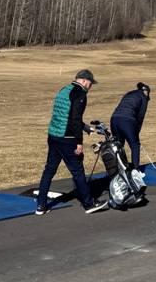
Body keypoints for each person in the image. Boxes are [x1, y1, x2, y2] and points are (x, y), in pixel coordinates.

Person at [36, 69, 108, 215]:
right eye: (90, 83)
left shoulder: (64, 89)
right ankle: (89, 203)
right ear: (84, 81)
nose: (90, 86)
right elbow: (74, 118)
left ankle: (41, 206)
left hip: (53, 135)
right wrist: (79, 142)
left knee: (49, 171)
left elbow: (66, 115)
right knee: (78, 171)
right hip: (67, 139)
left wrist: (87, 128)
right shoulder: (80, 94)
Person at [110, 82, 151, 168]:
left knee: (118, 146)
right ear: (146, 91)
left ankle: (121, 168)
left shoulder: (129, 93)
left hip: (114, 119)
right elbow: (141, 116)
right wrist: (137, 130)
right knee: (135, 145)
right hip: (127, 121)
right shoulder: (143, 97)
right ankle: (136, 170)